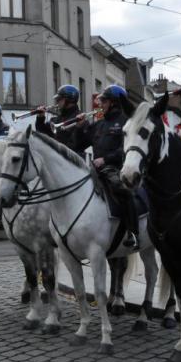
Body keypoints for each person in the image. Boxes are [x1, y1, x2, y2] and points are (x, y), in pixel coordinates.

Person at [75, 84, 139, 249]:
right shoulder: (99, 124)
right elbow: (80, 143)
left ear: (114, 102)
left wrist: (106, 159)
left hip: (117, 167)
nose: (100, 104)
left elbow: (126, 148)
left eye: (104, 101)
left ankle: (132, 232)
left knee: (123, 190)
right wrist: (81, 127)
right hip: (96, 168)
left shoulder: (126, 122)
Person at [35, 85, 83, 153]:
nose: (57, 102)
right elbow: (42, 135)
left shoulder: (80, 119)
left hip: (71, 161)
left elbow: (77, 144)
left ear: (69, 100)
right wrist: (40, 118)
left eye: (59, 99)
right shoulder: (55, 119)